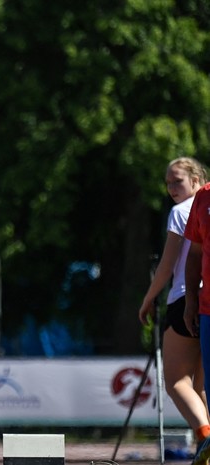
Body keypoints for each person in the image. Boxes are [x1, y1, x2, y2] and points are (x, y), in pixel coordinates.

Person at [139, 157, 210, 452]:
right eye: (167, 182)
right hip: (205, 300)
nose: (170, 188)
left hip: (184, 299)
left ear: (196, 180)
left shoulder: (182, 211)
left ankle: (206, 438)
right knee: (202, 387)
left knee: (176, 382)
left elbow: (168, 266)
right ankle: (203, 444)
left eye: (177, 180)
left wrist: (148, 298)